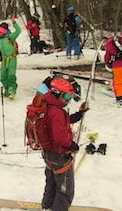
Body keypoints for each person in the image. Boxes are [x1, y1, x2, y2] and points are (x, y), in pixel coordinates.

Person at [42, 77, 88, 211]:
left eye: (71, 96)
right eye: (67, 95)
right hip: (59, 155)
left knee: (51, 184)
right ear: (57, 93)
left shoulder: (49, 105)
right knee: (65, 190)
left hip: (49, 154)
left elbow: (60, 122)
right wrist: (71, 145)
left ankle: (47, 207)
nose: (69, 99)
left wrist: (75, 116)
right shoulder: (56, 111)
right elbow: (59, 135)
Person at [0, 16, 21, 98]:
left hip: (12, 59)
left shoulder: (10, 37)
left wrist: (14, 22)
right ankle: (6, 90)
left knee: (11, 75)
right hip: (4, 60)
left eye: (0, 32)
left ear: (4, 31)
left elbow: (18, 31)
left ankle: (12, 91)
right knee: (3, 77)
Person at [104, 35, 122, 105]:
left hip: (118, 66)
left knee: (118, 82)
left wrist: (107, 63)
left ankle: (120, 98)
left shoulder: (110, 45)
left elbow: (107, 56)